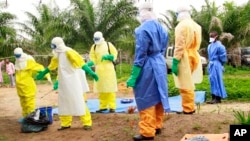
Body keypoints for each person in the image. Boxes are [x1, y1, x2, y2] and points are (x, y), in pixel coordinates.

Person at [126, 2, 170, 141]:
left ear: (141, 13)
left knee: (146, 97)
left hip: (148, 66)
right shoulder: (162, 28)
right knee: (158, 95)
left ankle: (147, 132)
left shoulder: (142, 30)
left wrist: (134, 75)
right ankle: (157, 125)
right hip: (160, 63)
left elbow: (141, 53)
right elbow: (163, 47)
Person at [36, 37, 98, 131]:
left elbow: (81, 63)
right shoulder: (57, 54)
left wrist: (91, 72)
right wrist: (44, 72)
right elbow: (53, 65)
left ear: (58, 45)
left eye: (54, 46)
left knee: (79, 101)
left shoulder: (69, 51)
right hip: (63, 81)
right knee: (64, 102)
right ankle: (65, 123)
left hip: (73, 80)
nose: (53, 48)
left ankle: (87, 123)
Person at [172, 5, 203, 114]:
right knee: (189, 82)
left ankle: (188, 108)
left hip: (185, 56)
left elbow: (179, 45)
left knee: (184, 83)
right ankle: (190, 106)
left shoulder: (181, 26)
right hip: (194, 54)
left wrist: (175, 60)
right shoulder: (196, 26)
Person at [13, 47, 51, 122]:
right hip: (20, 87)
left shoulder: (27, 61)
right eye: (16, 56)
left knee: (29, 102)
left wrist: (47, 76)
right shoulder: (17, 61)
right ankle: (25, 117)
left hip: (28, 86)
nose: (17, 57)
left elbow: (39, 68)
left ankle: (30, 118)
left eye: (18, 55)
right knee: (23, 102)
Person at [87, 31, 118, 113]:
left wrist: (110, 57)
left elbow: (115, 53)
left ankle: (112, 107)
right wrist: (90, 63)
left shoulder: (108, 44)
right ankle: (103, 106)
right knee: (101, 88)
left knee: (110, 88)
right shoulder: (94, 47)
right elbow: (93, 57)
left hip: (109, 69)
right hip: (99, 69)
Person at [206, 31, 227, 104]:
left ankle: (218, 98)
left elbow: (223, 56)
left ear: (216, 36)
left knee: (217, 80)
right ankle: (213, 97)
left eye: (212, 36)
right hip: (211, 64)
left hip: (217, 64)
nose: (211, 38)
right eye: (210, 36)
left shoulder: (220, 46)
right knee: (212, 80)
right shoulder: (209, 46)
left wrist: (221, 64)